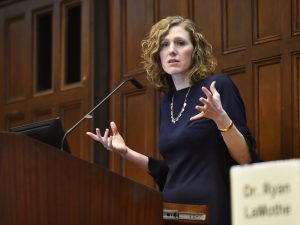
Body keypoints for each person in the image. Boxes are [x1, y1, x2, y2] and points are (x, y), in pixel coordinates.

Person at [86, 16, 259, 225]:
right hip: (174, 210)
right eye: (164, 45)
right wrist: (125, 152)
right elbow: (171, 170)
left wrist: (221, 119)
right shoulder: (166, 102)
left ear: (195, 51)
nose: (172, 50)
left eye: (180, 43)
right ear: (158, 55)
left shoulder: (217, 87)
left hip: (213, 208)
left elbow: (245, 159)